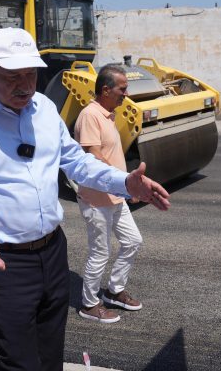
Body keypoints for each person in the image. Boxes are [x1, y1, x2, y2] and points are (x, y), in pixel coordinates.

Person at [0, 27, 171, 371]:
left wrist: (124, 182)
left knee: (51, 355)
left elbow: (77, 162)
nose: (25, 85)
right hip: (2, 259)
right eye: (13, 76)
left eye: (30, 74)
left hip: (53, 252)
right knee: (20, 362)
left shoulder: (43, 108)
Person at [74, 64, 143, 324]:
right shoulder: (90, 115)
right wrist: (123, 184)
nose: (126, 94)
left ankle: (114, 290)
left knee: (133, 241)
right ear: (105, 90)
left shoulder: (108, 115)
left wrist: (125, 186)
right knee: (100, 253)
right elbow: (93, 155)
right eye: (122, 89)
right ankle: (89, 304)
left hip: (115, 195)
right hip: (96, 199)